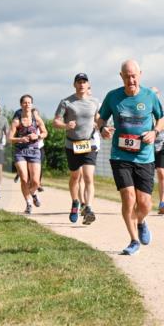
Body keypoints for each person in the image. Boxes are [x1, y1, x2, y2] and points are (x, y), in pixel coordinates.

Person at [97, 59, 164, 255]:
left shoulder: (149, 96)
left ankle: (142, 221)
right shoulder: (113, 97)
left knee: (145, 203)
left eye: (134, 76)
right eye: (127, 76)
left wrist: (154, 132)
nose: (131, 80)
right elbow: (101, 118)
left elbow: (161, 118)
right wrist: (102, 129)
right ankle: (133, 240)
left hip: (144, 156)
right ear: (121, 77)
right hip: (120, 156)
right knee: (128, 198)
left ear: (140, 75)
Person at [53, 72, 100, 224]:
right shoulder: (66, 102)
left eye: (84, 82)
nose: (81, 84)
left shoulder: (95, 101)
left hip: (89, 143)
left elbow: (99, 119)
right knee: (75, 177)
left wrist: (102, 127)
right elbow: (56, 122)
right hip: (72, 144)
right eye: (78, 82)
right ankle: (75, 202)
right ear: (74, 85)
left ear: (88, 85)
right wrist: (66, 125)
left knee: (88, 177)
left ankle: (89, 208)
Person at [10, 94, 48, 214]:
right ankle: (28, 204)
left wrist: (37, 136)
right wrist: (20, 139)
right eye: (25, 103)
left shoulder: (36, 119)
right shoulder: (17, 121)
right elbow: (10, 138)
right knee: (24, 178)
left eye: (29, 102)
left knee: (36, 181)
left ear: (32, 104)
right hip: (20, 151)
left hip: (34, 151)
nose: (27, 105)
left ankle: (32, 193)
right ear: (21, 104)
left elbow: (45, 132)